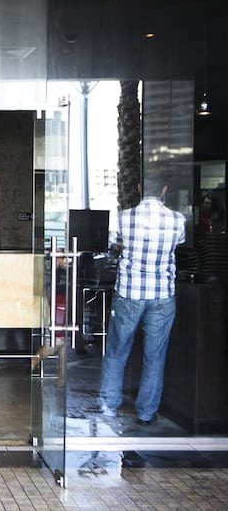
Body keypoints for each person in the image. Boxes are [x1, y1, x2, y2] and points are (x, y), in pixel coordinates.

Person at [99, 178, 186, 425]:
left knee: (117, 350)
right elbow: (177, 245)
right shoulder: (178, 220)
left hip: (129, 292)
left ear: (139, 188)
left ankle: (108, 406)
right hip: (162, 294)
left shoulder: (125, 217)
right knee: (155, 356)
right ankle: (146, 412)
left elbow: (117, 244)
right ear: (165, 189)